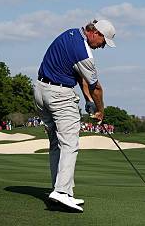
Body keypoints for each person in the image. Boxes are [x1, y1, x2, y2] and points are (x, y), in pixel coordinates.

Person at [33, 19, 116, 212]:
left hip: (40, 91)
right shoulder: (85, 54)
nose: (102, 47)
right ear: (95, 33)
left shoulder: (70, 34)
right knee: (70, 143)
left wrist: (85, 99)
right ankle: (62, 193)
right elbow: (97, 88)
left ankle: (61, 191)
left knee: (56, 142)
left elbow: (78, 74)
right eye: (103, 42)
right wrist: (100, 110)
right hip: (59, 96)